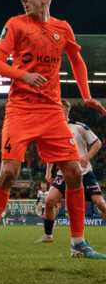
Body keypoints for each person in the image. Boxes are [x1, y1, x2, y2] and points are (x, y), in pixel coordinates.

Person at [0, 0, 106, 259]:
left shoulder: (62, 27)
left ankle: (78, 243)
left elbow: (77, 60)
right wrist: (23, 75)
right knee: (8, 173)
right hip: (20, 108)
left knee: (75, 172)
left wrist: (86, 94)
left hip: (52, 110)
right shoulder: (15, 24)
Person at [36, 99, 106, 243]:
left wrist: (87, 156)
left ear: (66, 111)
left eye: (59, 110)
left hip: (85, 173)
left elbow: (97, 142)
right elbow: (52, 152)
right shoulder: (54, 129)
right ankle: (48, 235)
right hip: (63, 174)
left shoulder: (79, 126)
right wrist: (48, 171)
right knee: (49, 201)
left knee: (100, 203)